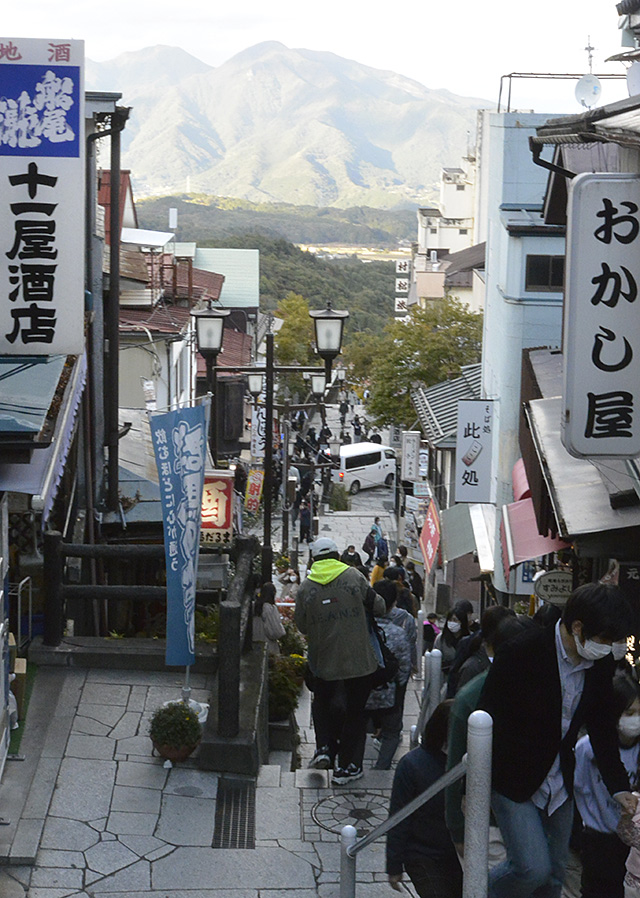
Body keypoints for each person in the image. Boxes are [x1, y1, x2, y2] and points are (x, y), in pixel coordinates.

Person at [479, 582, 636, 898]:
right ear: (577, 627)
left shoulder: (599, 664)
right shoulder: (522, 652)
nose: (608, 648)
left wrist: (619, 787)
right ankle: (477, 892)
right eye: (604, 640)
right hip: (515, 781)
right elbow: (486, 719)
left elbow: (603, 728)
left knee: (554, 878)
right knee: (531, 868)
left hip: (560, 782)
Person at [295, 537, 385, 784]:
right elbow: (379, 607)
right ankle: (347, 767)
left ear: (314, 559)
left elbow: (301, 626)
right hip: (359, 662)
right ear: (337, 556)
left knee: (321, 704)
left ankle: (324, 748)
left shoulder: (305, 589)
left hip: (323, 662)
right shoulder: (355, 577)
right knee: (356, 714)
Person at [445, 615, 528, 859]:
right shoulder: (473, 695)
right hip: (489, 815)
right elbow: (455, 766)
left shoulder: (545, 687)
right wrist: (457, 829)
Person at [386, 701, 463, 897]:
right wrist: (394, 865)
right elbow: (399, 816)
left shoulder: (470, 762)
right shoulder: (412, 765)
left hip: (460, 854)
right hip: (422, 854)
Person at [575, 671, 640, 898]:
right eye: (629, 712)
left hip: (632, 843)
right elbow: (578, 788)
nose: (635, 720)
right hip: (597, 840)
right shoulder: (587, 749)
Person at [368, 579, 412, 769]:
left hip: (361, 693)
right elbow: (404, 669)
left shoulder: (360, 630)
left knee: (358, 729)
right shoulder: (398, 633)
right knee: (393, 732)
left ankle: (355, 765)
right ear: (394, 603)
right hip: (388, 695)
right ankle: (382, 767)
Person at [434, 610, 469, 676]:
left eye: (455, 620)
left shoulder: (470, 639)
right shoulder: (441, 639)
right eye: (450, 620)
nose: (452, 623)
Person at [254, 582, 285, 655]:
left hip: (256, 640)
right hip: (267, 643)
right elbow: (274, 630)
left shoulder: (255, 606)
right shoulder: (269, 608)